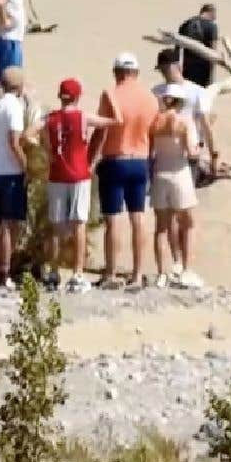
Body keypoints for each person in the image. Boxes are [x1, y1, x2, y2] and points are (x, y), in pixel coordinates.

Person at [90, 52, 159, 288]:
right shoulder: (150, 97)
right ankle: (137, 274)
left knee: (112, 220)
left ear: (117, 72)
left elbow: (101, 130)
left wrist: (91, 159)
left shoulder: (111, 95)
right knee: (138, 218)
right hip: (140, 159)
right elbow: (153, 132)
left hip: (115, 158)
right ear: (136, 73)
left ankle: (111, 273)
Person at [43, 76, 118, 293]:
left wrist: (48, 151)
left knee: (56, 226)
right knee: (79, 224)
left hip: (57, 175)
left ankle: (53, 271)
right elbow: (114, 121)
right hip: (78, 175)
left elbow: (30, 134)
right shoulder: (83, 117)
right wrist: (111, 101)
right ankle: (77, 273)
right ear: (77, 97)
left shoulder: (50, 119)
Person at [0, 65, 33, 291]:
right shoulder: (13, 108)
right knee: (8, 224)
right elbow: (14, 141)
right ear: (19, 87)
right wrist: (25, 165)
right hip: (9, 171)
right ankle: (4, 271)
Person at [148, 89, 203, 289]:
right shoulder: (183, 122)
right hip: (179, 173)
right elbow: (191, 151)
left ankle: (162, 273)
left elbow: (151, 151)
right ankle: (187, 269)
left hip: (160, 173)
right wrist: (199, 148)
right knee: (188, 223)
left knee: (161, 227)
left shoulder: (155, 122)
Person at [152, 47, 219, 182]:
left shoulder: (197, 91)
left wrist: (214, 155)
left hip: (189, 153)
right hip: (162, 154)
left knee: (186, 196)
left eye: (166, 68)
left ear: (179, 67)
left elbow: (206, 126)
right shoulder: (155, 91)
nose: (163, 72)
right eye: (161, 69)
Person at [175, 2, 231, 88]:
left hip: (186, 68)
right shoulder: (212, 26)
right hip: (203, 71)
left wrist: (177, 69)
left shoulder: (186, 24)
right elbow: (213, 52)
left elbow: (177, 48)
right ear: (212, 12)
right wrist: (212, 77)